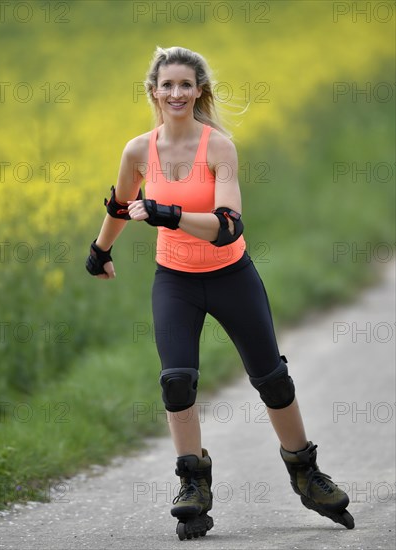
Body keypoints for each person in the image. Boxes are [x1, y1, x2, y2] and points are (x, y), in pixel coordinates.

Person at [86, 46, 354, 540]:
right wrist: (100, 250)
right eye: (167, 85)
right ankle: (192, 481)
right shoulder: (138, 151)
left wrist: (167, 213)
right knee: (176, 381)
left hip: (232, 276)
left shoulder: (219, 147)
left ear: (200, 90)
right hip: (176, 281)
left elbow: (228, 227)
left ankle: (306, 473)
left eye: (186, 84)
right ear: (152, 92)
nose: (176, 93)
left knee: (272, 378)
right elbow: (121, 204)